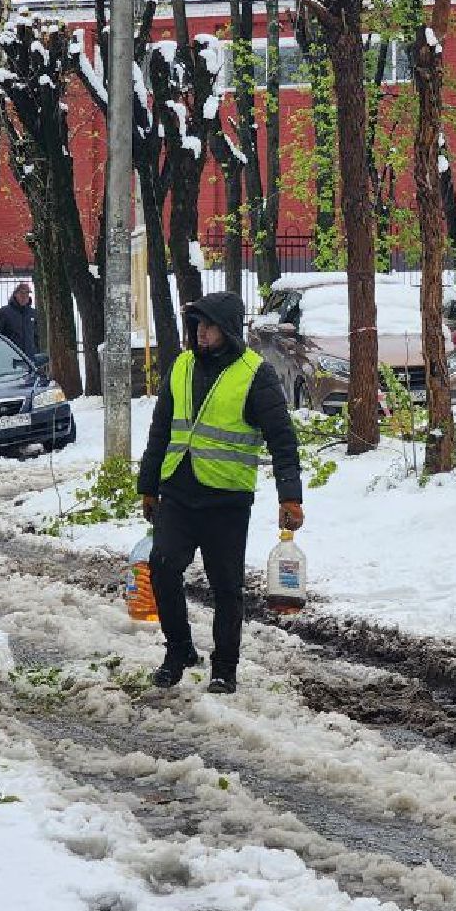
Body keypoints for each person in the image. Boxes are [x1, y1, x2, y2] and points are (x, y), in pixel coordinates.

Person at [137, 291, 303, 694]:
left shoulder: (254, 373)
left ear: (226, 329)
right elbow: (161, 430)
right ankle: (178, 650)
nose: (200, 333)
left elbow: (282, 439)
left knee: (226, 586)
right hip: (178, 488)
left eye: (207, 325)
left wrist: (290, 496)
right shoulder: (181, 366)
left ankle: (224, 668)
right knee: (162, 568)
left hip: (226, 498)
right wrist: (148, 485)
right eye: (196, 325)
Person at [0, 281, 39, 360]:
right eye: (21, 293)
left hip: (29, 359)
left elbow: (36, 336)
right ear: (15, 294)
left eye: (27, 294)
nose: (24, 296)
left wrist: (35, 352)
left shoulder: (32, 313)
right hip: (10, 358)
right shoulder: (4, 312)